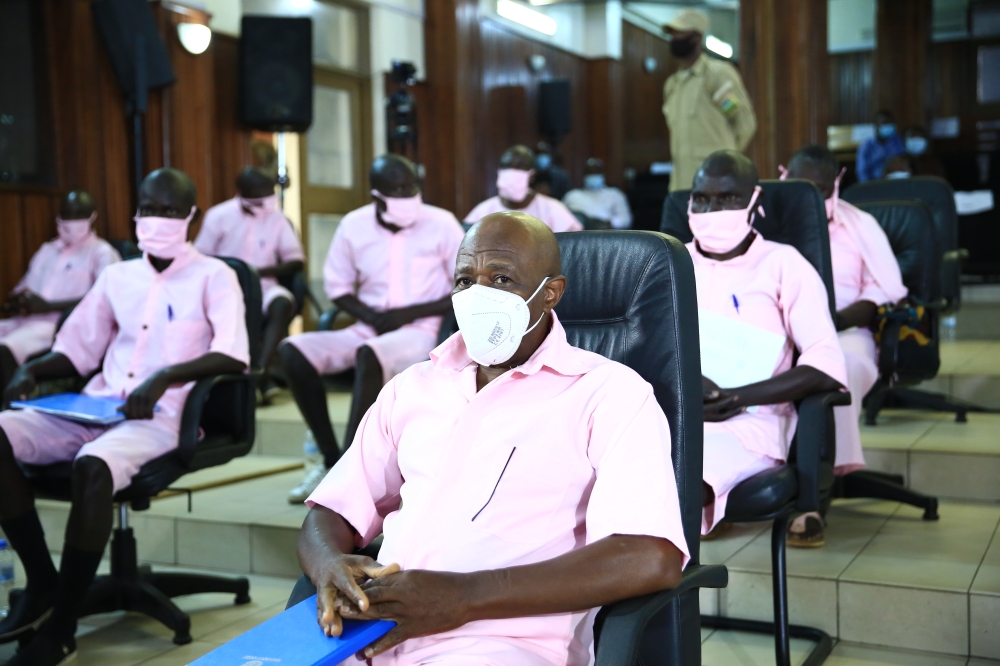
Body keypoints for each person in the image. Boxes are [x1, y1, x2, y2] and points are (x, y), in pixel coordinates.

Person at [295, 211, 689, 665]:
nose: (478, 295)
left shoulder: (608, 393)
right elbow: (331, 510)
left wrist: (463, 595)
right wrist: (329, 565)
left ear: (551, 293)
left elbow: (648, 556)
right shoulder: (414, 385)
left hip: (499, 645)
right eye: (465, 280)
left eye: (501, 279)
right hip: (366, 632)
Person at [0, 168, 249, 666]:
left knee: (93, 467)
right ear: (136, 213)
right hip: (94, 405)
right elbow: (77, 348)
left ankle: (63, 630)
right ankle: (42, 580)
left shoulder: (215, 275)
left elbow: (233, 355)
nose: (158, 218)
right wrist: (33, 368)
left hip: (160, 416)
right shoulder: (117, 275)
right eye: (149, 208)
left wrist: (164, 376)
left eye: (171, 211)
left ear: (192, 218)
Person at [280, 155, 465, 504]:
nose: (406, 195)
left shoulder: (442, 223)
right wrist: (371, 315)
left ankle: (352, 475)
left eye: (411, 188)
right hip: (368, 327)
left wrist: (407, 312)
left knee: (370, 354)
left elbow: (465, 284)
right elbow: (338, 286)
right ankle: (332, 459)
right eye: (396, 190)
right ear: (376, 195)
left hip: (424, 330)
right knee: (294, 350)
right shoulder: (354, 224)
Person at [686, 151, 847, 539]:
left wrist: (737, 397)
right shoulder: (668, 263)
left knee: (679, 477)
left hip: (752, 421)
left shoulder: (783, 264)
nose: (712, 210)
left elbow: (824, 365)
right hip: (672, 416)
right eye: (702, 199)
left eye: (728, 199)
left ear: (755, 201)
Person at [786, 145, 907, 546]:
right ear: (785, 176)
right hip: (780, 332)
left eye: (820, 189)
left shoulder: (861, 225)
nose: (812, 197)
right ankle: (733, 487)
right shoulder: (767, 222)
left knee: (842, 369)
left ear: (836, 183)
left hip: (844, 332)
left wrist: (830, 322)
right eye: (802, 187)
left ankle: (813, 498)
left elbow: (881, 292)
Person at [0, 191, 120, 392]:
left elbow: (104, 300)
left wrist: (48, 307)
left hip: (57, 325)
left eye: (79, 215)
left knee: (5, 350)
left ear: (92, 216)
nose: (71, 221)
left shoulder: (101, 253)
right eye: (67, 213)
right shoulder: (47, 250)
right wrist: (18, 300)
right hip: (23, 319)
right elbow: (24, 286)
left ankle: (9, 409)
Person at [195, 167, 305, 380]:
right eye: (261, 191)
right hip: (226, 285)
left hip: (265, 285)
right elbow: (200, 258)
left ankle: (260, 372)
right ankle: (241, 371)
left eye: (270, 190)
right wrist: (238, 273)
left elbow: (296, 260)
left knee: (281, 304)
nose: (268, 196)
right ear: (244, 191)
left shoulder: (277, 218)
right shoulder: (219, 216)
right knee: (236, 307)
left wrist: (256, 273)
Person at [661, 9, 757, 193]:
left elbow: (744, 122)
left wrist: (727, 162)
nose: (674, 38)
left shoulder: (716, 75)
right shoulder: (672, 85)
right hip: (681, 185)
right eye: (671, 34)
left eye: (679, 33)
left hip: (717, 187)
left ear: (696, 37)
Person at [465, 145, 583, 233]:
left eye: (520, 167)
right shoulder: (483, 211)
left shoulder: (552, 209)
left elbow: (574, 249)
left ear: (531, 175)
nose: (512, 173)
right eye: (507, 167)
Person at [563, 158, 632, 229]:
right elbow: (562, 219)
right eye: (590, 172)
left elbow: (625, 219)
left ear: (603, 174)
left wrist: (609, 224)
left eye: (596, 172)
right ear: (584, 175)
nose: (593, 175)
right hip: (580, 235)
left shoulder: (615, 195)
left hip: (608, 234)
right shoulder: (572, 196)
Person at [856, 110, 905, 182]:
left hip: (896, 182)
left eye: (890, 123)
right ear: (876, 126)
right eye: (884, 123)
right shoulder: (866, 146)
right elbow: (862, 172)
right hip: (874, 184)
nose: (888, 126)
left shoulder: (899, 142)